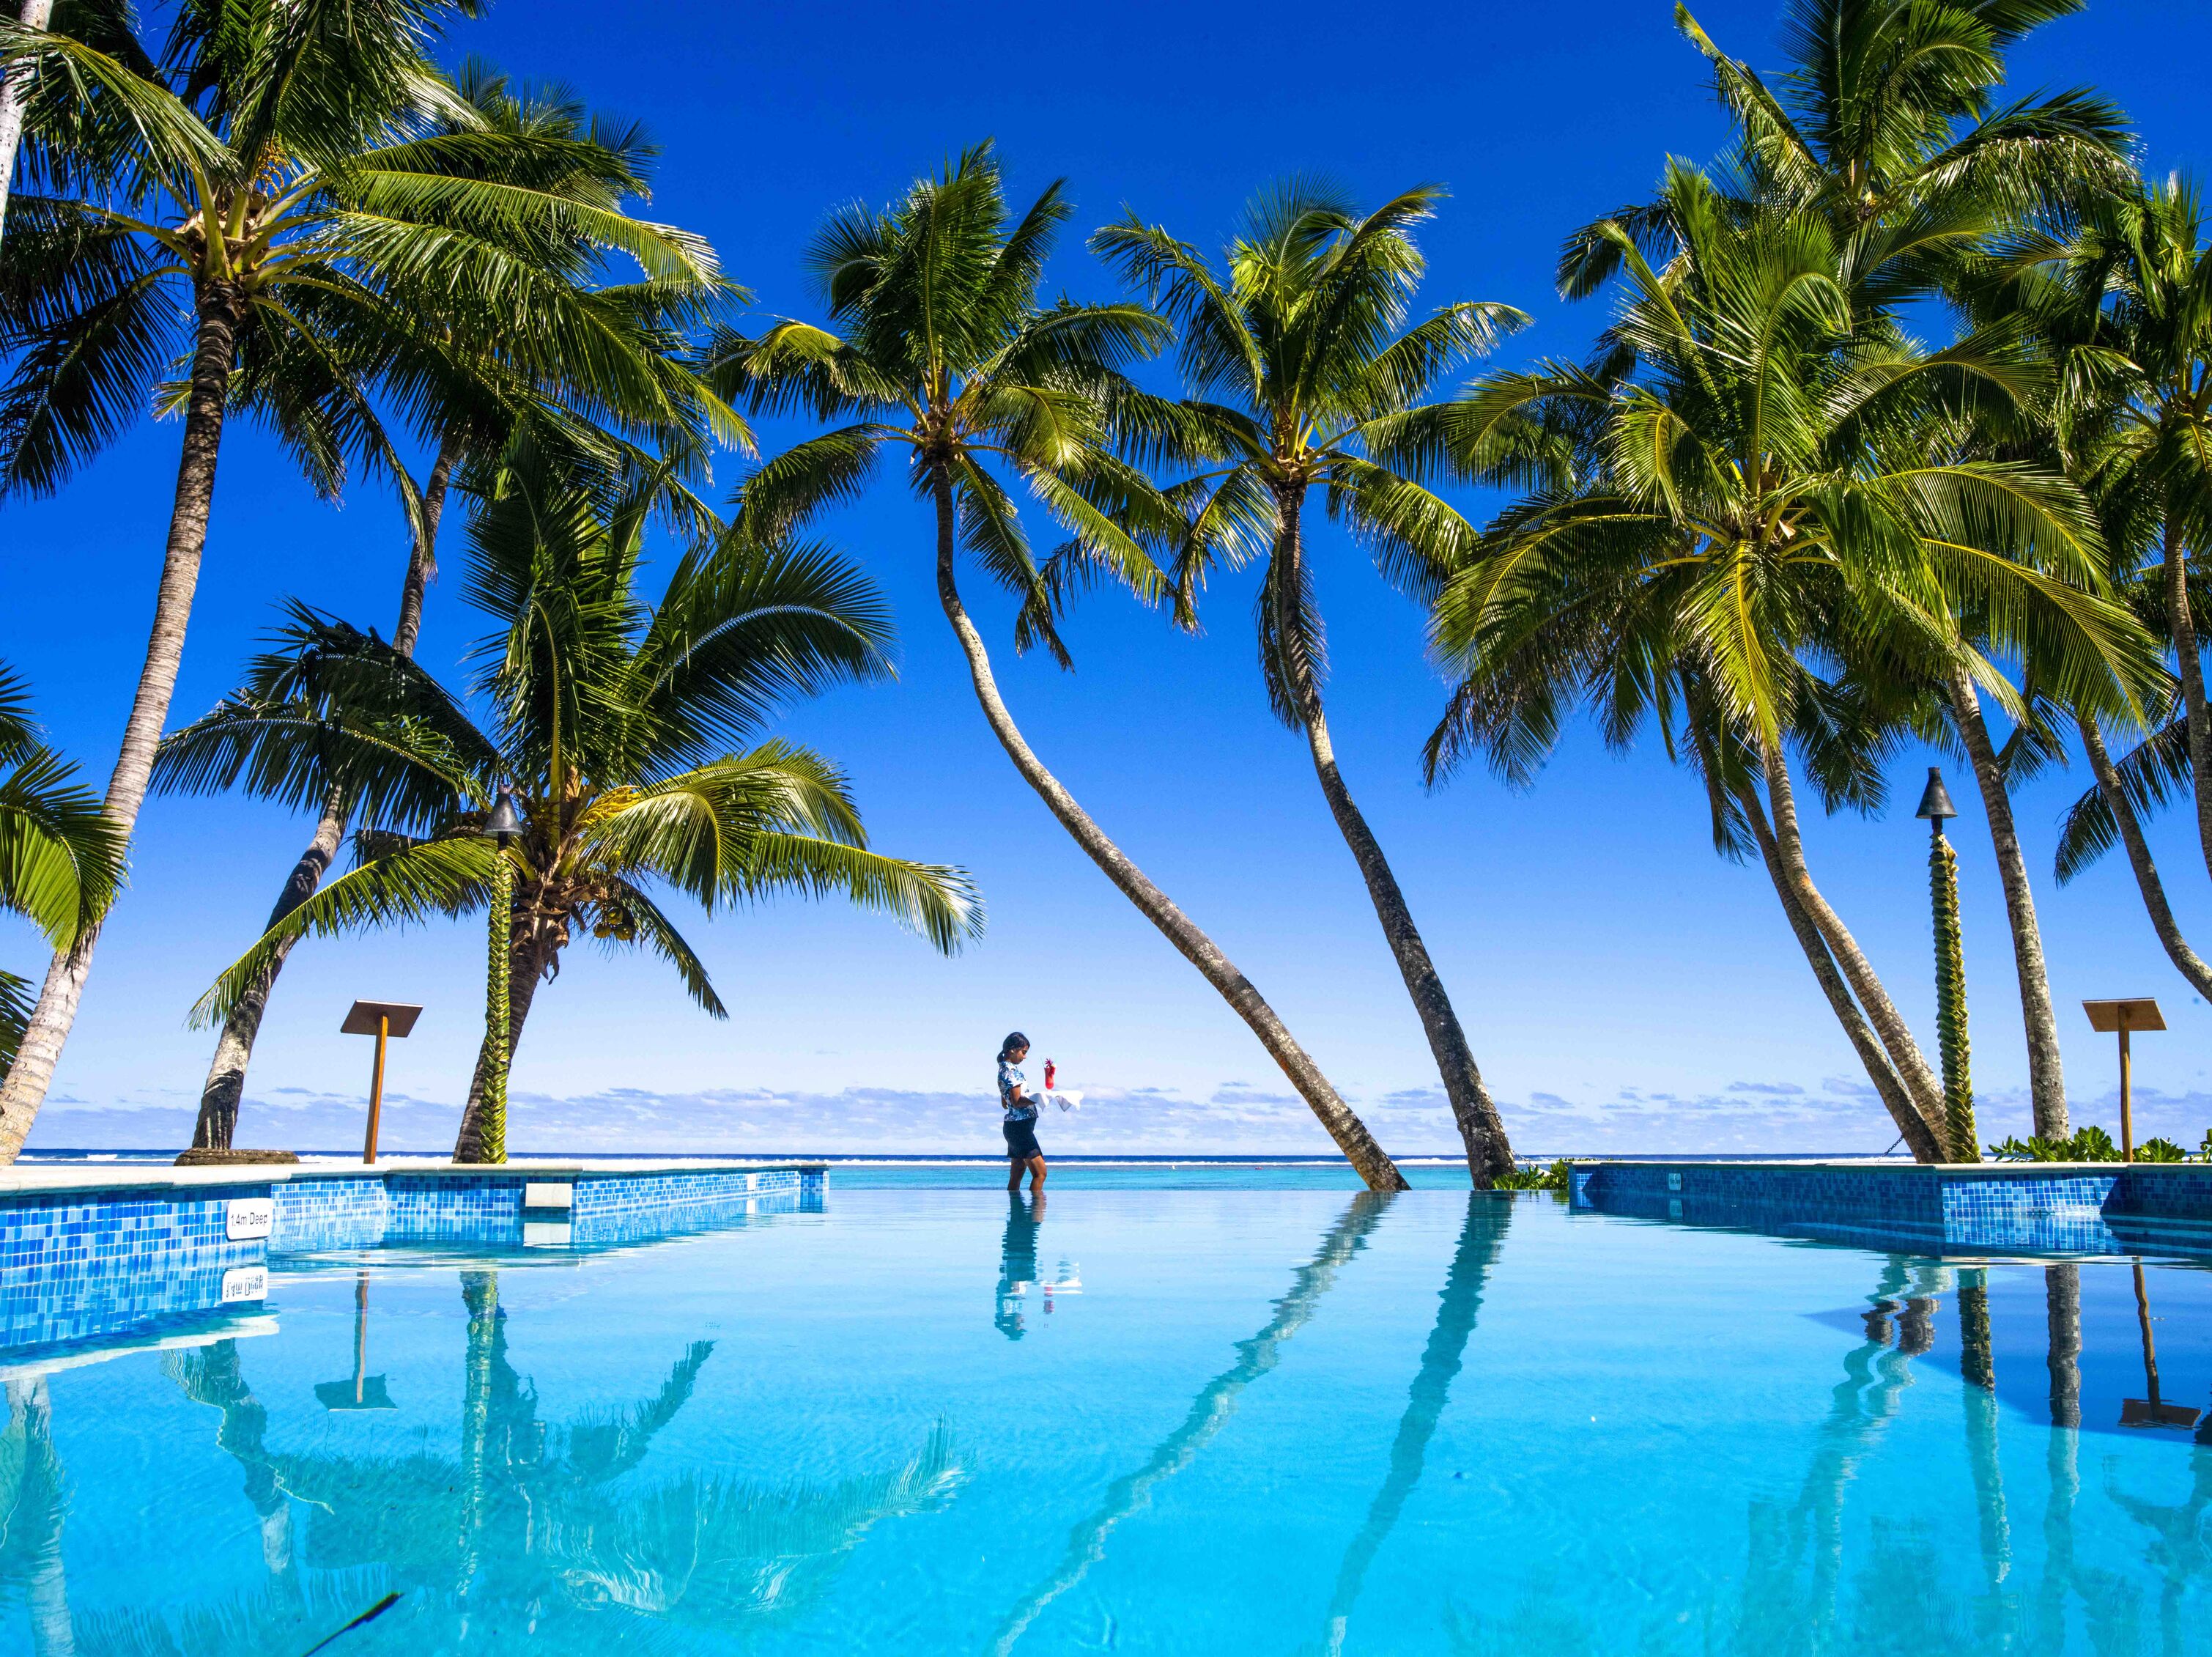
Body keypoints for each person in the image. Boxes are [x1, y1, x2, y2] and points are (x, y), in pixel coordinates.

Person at [997, 1032, 1046, 1194]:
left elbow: (1006, 1101)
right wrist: (1039, 1098)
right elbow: (1017, 1102)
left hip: (1015, 1129)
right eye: (1023, 1052)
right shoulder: (1010, 1071)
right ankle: (1035, 1217)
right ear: (1012, 1050)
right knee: (1040, 1174)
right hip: (1020, 1130)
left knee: (1016, 1175)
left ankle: (1015, 1218)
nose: (1025, 1057)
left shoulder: (1004, 1070)